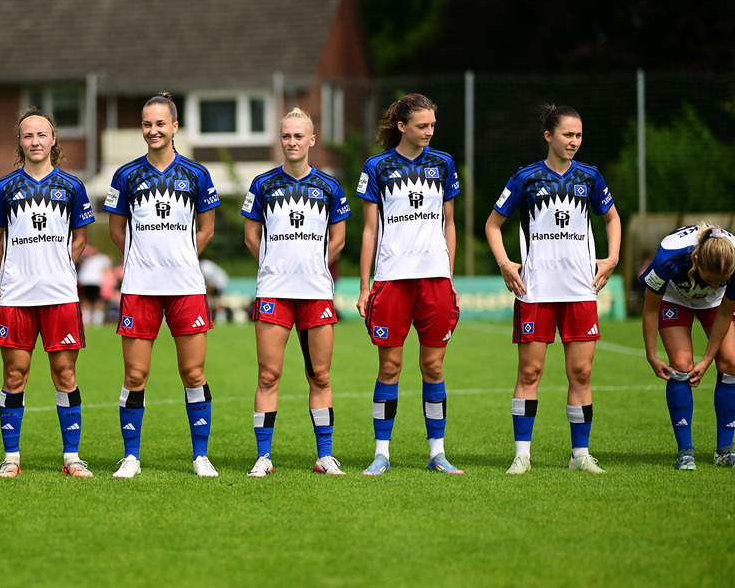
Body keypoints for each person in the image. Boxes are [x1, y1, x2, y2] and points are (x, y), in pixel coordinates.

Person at [485, 104, 621, 475]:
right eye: (567, 135)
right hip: (536, 290)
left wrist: (612, 259)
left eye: (578, 135)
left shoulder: (590, 177)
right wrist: (504, 262)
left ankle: (580, 455)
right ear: (549, 136)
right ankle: (522, 455)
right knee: (530, 373)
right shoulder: (526, 178)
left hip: (580, 290)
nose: (574, 141)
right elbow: (493, 225)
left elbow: (611, 217)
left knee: (581, 373)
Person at [103, 92, 220, 478]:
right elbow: (116, 230)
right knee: (135, 376)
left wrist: (182, 257)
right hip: (139, 287)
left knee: (194, 374)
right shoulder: (125, 175)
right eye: (147, 124)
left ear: (174, 127)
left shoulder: (198, 175)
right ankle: (131, 457)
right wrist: (143, 259)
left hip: (186, 285)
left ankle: (200, 456)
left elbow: (207, 229)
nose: (153, 131)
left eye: (160, 124)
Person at [356, 94, 463, 476]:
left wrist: (450, 277)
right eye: (422, 126)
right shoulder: (376, 167)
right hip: (391, 280)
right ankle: (381, 453)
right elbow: (369, 230)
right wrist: (365, 285)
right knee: (390, 367)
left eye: (432, 125)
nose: (429, 132)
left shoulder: (444, 163)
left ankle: (438, 453)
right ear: (401, 126)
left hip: (435, 279)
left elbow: (450, 223)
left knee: (433, 367)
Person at [0, 107, 96, 478]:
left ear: (53, 140)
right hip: (17, 297)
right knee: (14, 375)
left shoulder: (72, 186)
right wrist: (14, 268)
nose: (35, 141)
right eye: (28, 135)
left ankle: (72, 457)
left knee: (65, 375)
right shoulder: (3, 188)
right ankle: (11, 458)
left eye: (41, 135)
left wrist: (61, 265)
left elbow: (81, 236)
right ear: (20, 142)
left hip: (60, 294)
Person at [243, 107, 351, 477]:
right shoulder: (262, 184)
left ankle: (324, 456)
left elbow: (339, 238)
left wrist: (315, 266)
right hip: (273, 290)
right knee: (268, 375)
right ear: (280, 139)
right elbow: (251, 236)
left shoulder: (329, 186)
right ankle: (263, 457)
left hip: (316, 291)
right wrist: (274, 265)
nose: (292, 142)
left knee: (320, 375)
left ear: (312, 140)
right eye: (286, 136)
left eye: (299, 136)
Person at [639, 224, 735, 469]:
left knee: (731, 362)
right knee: (681, 365)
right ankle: (685, 451)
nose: (714, 286)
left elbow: (725, 313)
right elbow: (650, 309)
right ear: (696, 260)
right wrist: (651, 355)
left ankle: (724, 450)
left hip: (716, 306)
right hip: (674, 297)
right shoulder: (669, 256)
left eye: (721, 282)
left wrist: (707, 360)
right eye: (710, 280)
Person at [76, 246, 111, 325]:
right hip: (89, 281)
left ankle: (95, 320)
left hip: (93, 281)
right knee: (89, 300)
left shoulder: (99, 259)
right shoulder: (87, 259)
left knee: (92, 300)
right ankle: (90, 319)